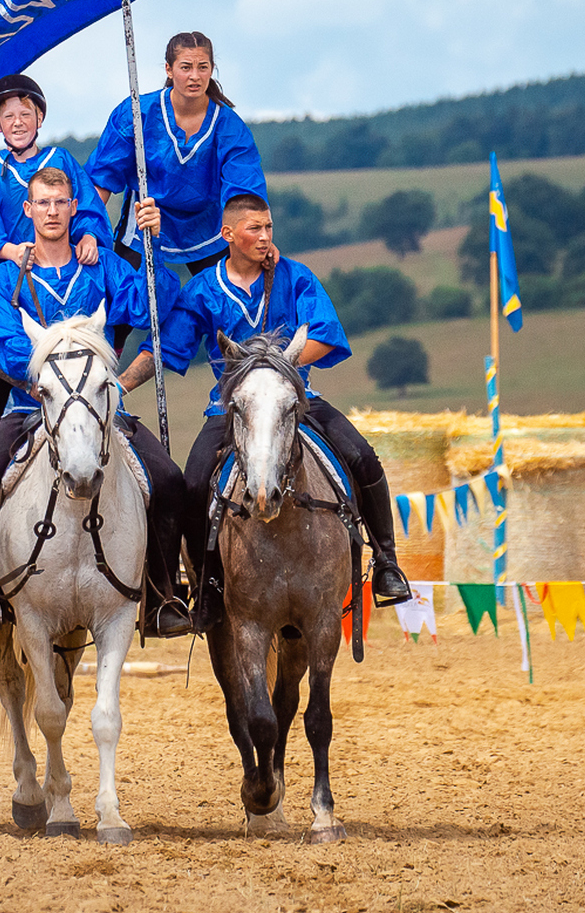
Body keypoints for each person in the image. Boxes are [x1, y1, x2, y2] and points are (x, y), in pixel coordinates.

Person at [119, 193, 412, 631]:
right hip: (228, 409)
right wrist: (118, 385)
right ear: (228, 235)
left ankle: (387, 561)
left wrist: (276, 368)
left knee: (362, 456)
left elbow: (328, 336)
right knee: (193, 483)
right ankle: (206, 586)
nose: (264, 237)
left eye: (269, 228)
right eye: (254, 228)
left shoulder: (295, 278)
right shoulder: (203, 290)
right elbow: (166, 348)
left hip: (297, 400)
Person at [0, 164, 189, 638]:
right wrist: (47, 382)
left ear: (75, 207)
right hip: (31, 408)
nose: (53, 211)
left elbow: (151, 304)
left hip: (104, 412)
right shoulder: (6, 277)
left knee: (168, 478)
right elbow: (6, 346)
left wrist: (151, 246)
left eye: (61, 202)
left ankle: (163, 593)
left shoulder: (100, 265)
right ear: (28, 210)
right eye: (43, 203)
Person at [0, 72, 109, 432]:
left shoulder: (62, 162)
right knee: (3, 373)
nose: (17, 123)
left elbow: (88, 206)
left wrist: (89, 235)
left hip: (65, 277)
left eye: (25, 114)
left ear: (40, 119)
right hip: (13, 284)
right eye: (8, 116)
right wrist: (11, 251)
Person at [89, 32, 267, 278]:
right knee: (124, 302)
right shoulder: (136, 113)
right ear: (169, 69)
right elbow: (102, 177)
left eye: (203, 67)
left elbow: (245, 191)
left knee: (227, 300)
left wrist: (257, 238)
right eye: (185, 67)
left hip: (207, 227)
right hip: (145, 220)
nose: (195, 76)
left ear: (212, 69)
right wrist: (86, 231)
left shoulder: (229, 127)